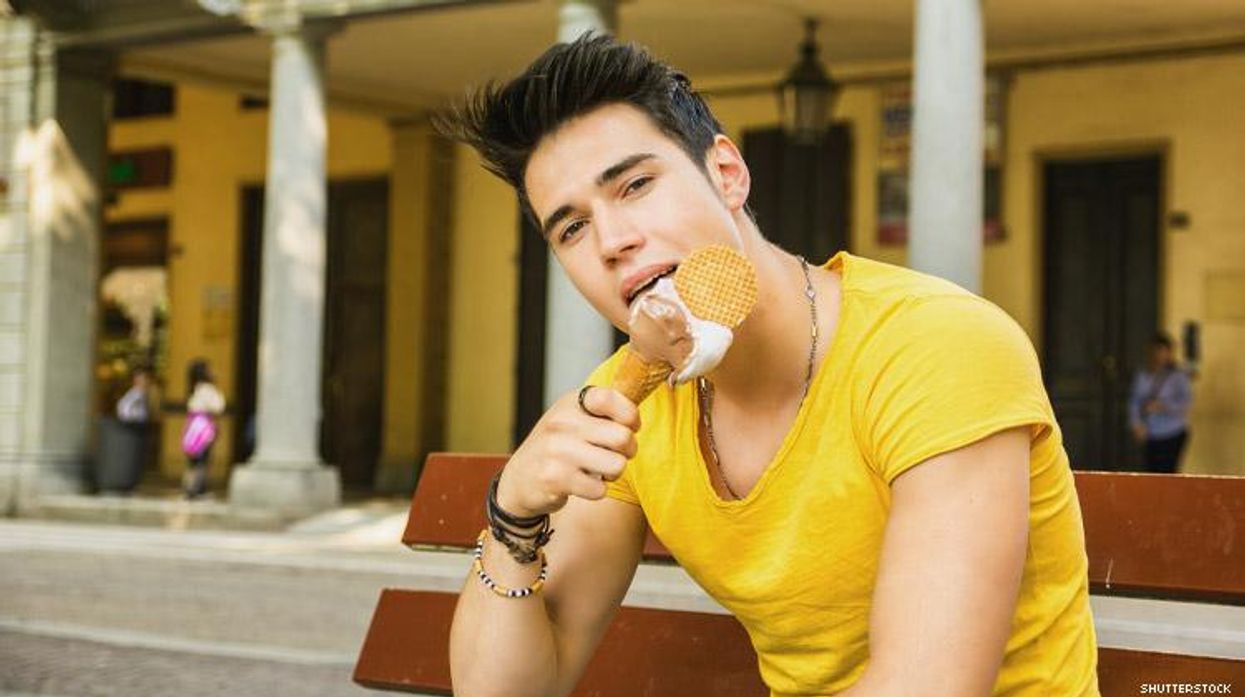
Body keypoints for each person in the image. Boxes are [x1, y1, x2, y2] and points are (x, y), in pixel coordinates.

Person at [441, 35, 1098, 696]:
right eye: (571, 228)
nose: (613, 242)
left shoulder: (934, 347)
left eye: (635, 185)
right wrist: (514, 510)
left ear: (726, 173)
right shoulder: (626, 406)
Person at [1129, 333, 1193, 474]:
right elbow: (1135, 401)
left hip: (1173, 431)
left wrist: (1164, 406)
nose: (1159, 356)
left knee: (1168, 472)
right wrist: (1136, 424)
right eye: (1156, 351)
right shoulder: (1143, 374)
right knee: (1150, 472)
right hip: (1150, 432)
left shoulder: (1178, 376)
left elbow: (1185, 402)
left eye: (1163, 351)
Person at [181, 358, 225, 499]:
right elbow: (218, 406)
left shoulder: (194, 388)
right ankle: (197, 489)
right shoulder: (207, 389)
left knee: (193, 458)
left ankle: (190, 487)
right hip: (203, 425)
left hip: (192, 425)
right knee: (202, 458)